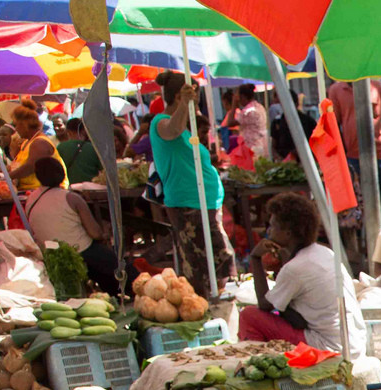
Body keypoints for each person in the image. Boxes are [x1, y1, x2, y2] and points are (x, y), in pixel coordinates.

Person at [149, 71, 235, 299]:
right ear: (179, 97)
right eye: (193, 100)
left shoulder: (186, 126)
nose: (196, 106)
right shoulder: (161, 122)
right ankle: (204, 302)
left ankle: (214, 298)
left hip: (203, 202)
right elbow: (172, 130)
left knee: (218, 258)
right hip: (188, 202)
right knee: (202, 262)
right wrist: (185, 104)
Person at [241, 192, 363, 352]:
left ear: (288, 234)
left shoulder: (294, 268)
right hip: (353, 343)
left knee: (249, 315)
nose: (268, 231)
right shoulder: (324, 252)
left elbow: (264, 305)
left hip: (329, 346)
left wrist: (256, 258)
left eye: (273, 226)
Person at [23, 157, 118, 295]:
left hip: (49, 251)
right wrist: (106, 232)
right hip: (77, 251)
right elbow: (95, 233)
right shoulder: (71, 198)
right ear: (61, 174)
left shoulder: (31, 198)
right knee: (114, 265)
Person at [328, 79, 381, 228]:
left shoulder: (375, 87)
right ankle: (365, 239)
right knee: (358, 204)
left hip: (379, 153)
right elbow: (334, 124)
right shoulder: (336, 90)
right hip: (353, 155)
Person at [8, 105, 63, 193]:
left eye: (16, 125)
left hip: (44, 192)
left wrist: (6, 177)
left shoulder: (40, 142)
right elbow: (19, 165)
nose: (16, 129)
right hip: (29, 191)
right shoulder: (26, 142)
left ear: (24, 125)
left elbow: (30, 167)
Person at [57, 118, 102, 184]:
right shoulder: (94, 148)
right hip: (90, 188)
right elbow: (102, 169)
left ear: (68, 132)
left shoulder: (61, 147)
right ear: (84, 131)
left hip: (69, 187)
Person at [233, 84, 270, 160]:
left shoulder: (247, 111)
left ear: (242, 96)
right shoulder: (260, 107)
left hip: (251, 148)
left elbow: (229, 123)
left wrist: (234, 104)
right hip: (262, 144)